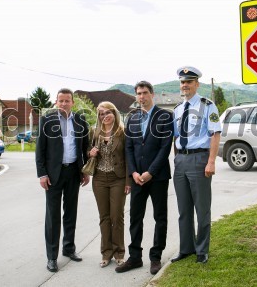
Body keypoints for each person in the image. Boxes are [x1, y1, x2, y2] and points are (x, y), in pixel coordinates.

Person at [116, 81, 174, 275]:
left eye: (145, 93)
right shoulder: (132, 118)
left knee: (160, 217)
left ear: (152, 94)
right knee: (135, 217)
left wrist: (150, 172)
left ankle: (155, 256)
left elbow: (165, 147)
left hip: (157, 177)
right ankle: (135, 257)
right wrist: (133, 173)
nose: (141, 97)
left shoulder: (165, 116)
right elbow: (129, 148)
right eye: (139, 94)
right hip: (137, 177)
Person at [35, 88, 90, 273]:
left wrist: (85, 171)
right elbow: (40, 150)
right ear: (56, 102)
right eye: (61, 100)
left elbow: (84, 147)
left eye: (68, 100)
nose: (64, 103)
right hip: (52, 175)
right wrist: (42, 174)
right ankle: (52, 257)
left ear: (72, 102)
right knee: (53, 216)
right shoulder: (47, 120)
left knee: (70, 213)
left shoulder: (80, 120)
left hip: (73, 172)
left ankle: (69, 248)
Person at [171, 67, 221, 264]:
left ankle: (202, 250)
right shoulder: (177, 109)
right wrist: (177, 159)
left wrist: (211, 161)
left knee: (202, 209)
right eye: (182, 82)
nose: (185, 85)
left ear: (196, 84)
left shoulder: (208, 106)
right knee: (183, 209)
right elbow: (175, 136)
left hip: (199, 160)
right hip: (181, 161)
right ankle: (186, 248)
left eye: (189, 82)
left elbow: (215, 134)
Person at [88, 101, 131, 269]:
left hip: (118, 179)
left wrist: (128, 181)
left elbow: (129, 157)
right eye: (101, 113)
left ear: (114, 113)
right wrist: (90, 152)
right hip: (99, 179)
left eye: (108, 112)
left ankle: (119, 253)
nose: (104, 116)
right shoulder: (94, 132)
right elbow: (86, 151)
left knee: (117, 217)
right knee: (104, 217)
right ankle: (106, 253)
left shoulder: (123, 133)